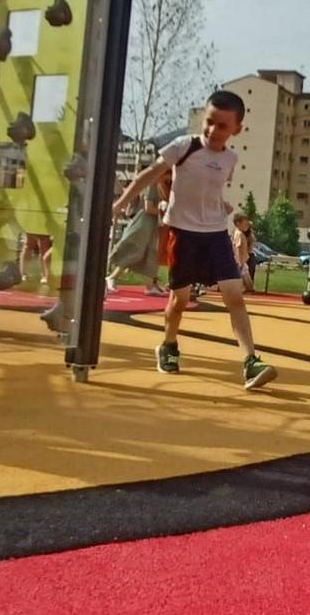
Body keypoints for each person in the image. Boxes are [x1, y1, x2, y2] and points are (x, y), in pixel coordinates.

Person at [112, 89, 276, 391]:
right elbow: (150, 173)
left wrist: (221, 206)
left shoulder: (230, 158)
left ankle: (251, 360)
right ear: (204, 118)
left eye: (222, 126)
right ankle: (168, 345)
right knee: (179, 301)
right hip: (183, 235)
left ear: (236, 130)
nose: (214, 130)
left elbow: (210, 189)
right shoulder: (183, 147)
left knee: (234, 295)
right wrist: (122, 202)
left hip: (215, 234)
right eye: (210, 122)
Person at [107, 184, 163, 291]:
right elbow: (148, 207)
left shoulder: (164, 184)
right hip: (145, 222)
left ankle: (151, 285)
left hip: (156, 223)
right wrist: (165, 210)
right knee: (135, 251)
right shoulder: (153, 184)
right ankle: (112, 277)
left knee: (152, 252)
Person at [232, 209, 258, 292]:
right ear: (238, 223)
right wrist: (240, 263)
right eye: (245, 223)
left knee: (248, 283)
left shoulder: (240, 233)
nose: (247, 224)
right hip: (241, 262)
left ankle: (244, 289)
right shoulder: (239, 234)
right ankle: (238, 290)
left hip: (243, 261)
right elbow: (238, 248)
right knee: (245, 282)